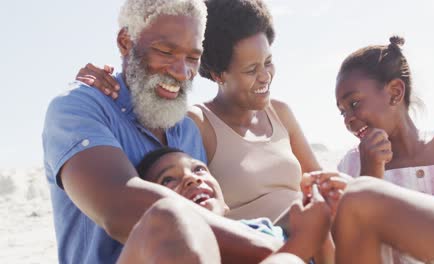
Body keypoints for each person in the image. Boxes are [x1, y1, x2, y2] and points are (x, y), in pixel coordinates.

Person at [42, 0, 293, 262]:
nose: (182, 72)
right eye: (165, 52)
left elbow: (215, 213)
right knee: (168, 216)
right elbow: (120, 208)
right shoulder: (79, 108)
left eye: (193, 58)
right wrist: (270, 247)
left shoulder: (188, 131)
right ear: (126, 42)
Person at [76, 0, 322, 223]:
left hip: (310, 236)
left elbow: (319, 181)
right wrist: (108, 83)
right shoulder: (195, 124)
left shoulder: (280, 112)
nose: (265, 76)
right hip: (263, 245)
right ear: (218, 75)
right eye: (250, 70)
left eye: (268, 62)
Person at [335, 36, 434, 263]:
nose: (348, 119)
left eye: (354, 104)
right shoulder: (351, 167)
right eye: (342, 111)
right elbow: (347, 246)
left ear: (395, 92)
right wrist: (369, 175)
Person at [126, 147, 333, 263]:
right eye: (167, 180)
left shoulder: (265, 230)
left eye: (199, 169)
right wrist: (306, 240)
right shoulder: (172, 246)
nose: (192, 179)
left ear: (225, 202)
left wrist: (322, 234)